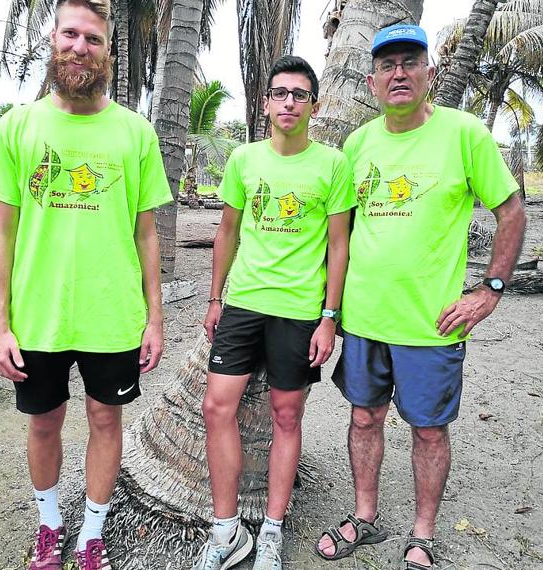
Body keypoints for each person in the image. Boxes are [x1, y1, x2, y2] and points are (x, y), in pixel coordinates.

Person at [315, 24, 526, 569]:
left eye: (410, 62)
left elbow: (511, 210)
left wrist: (491, 290)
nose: (399, 73)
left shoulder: (464, 135)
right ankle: (364, 516)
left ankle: (423, 532)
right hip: (362, 320)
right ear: (372, 81)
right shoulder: (358, 144)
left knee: (429, 430)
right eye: (387, 65)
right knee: (364, 418)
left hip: (431, 323)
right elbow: (340, 234)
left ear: (430, 72)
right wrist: (329, 311)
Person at [0, 1, 172, 568]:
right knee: (45, 422)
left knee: (107, 419)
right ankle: (49, 524)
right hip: (38, 316)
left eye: (94, 38)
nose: (81, 46)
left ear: (109, 52)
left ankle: (90, 534)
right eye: (71, 34)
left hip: (112, 314)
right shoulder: (19, 124)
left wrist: (154, 318)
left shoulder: (134, 132)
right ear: (53, 38)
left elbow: (147, 235)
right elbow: (2, 234)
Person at [193, 55, 356, 570]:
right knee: (217, 408)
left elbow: (339, 246)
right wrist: (216, 299)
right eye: (280, 93)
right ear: (265, 103)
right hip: (243, 304)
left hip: (298, 311)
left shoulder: (333, 164)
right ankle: (225, 531)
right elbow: (227, 232)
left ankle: (271, 529)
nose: (289, 102)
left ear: (314, 103)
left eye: (299, 95)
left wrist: (329, 317)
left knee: (287, 415)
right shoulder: (244, 160)